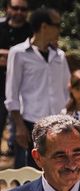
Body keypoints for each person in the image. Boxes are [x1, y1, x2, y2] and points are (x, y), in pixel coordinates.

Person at [5, 7, 69, 168]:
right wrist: (19, 126)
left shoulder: (59, 56)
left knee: (57, 171)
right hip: (30, 124)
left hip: (58, 124)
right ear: (44, 27)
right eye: (57, 24)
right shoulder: (18, 53)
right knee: (30, 173)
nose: (60, 29)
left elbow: (67, 89)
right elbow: (11, 93)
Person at [0, 0, 31, 156]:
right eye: (15, 8)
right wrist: (15, 54)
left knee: (19, 133)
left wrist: (6, 54)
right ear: (7, 8)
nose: (19, 12)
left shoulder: (32, 30)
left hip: (22, 89)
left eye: (23, 9)